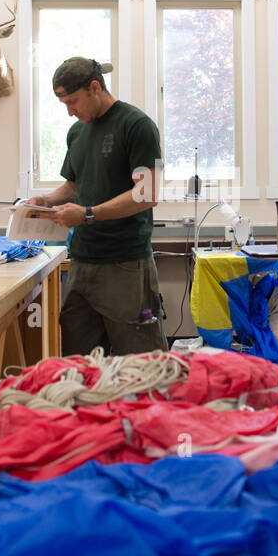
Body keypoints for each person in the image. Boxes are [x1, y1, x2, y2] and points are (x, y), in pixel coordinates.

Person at [26, 57, 168, 356]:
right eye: (64, 104)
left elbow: (148, 193)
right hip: (82, 261)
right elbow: (74, 187)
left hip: (125, 263)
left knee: (141, 360)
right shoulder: (77, 132)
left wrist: (88, 214)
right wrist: (45, 201)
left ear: (95, 87)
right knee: (79, 358)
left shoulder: (137, 125)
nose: (70, 111)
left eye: (74, 101)